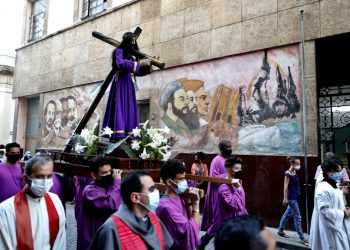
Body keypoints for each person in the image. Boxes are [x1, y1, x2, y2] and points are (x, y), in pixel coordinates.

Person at [89, 170, 173, 249]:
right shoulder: (111, 228)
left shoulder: (153, 219)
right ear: (135, 197)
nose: (156, 192)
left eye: (155, 188)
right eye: (151, 189)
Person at [0, 155, 66, 249]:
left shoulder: (55, 201)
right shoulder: (6, 210)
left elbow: (60, 240)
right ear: (26, 179)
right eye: (39, 176)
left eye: (49, 176)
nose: (45, 182)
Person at [102, 32, 152, 140]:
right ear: (126, 41)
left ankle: (129, 133)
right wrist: (138, 64)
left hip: (129, 82)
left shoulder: (132, 57)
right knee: (120, 105)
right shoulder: (118, 51)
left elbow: (137, 71)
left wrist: (147, 65)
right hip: (120, 81)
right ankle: (118, 132)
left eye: (134, 41)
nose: (133, 43)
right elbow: (120, 64)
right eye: (131, 41)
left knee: (130, 106)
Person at [77, 156, 123, 250]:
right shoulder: (90, 191)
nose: (109, 174)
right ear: (94, 175)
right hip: (93, 240)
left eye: (110, 171)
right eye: (104, 173)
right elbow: (111, 204)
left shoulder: (109, 186)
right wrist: (117, 182)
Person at [156, 159, 201, 250]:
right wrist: (196, 204)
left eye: (184, 178)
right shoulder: (166, 207)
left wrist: (188, 201)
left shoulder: (179, 196)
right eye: (181, 179)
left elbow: (189, 219)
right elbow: (192, 230)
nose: (185, 182)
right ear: (169, 182)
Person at [310, 160, 350, 249]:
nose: (340, 174)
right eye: (338, 171)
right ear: (328, 172)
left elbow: (334, 199)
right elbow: (325, 211)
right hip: (329, 229)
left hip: (337, 226)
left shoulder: (333, 184)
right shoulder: (323, 188)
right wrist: (343, 214)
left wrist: (343, 207)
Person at [200, 140, 232, 248]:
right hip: (218, 195)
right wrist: (227, 177)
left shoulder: (229, 159)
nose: (230, 148)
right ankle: (203, 241)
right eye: (227, 147)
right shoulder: (216, 160)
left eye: (230, 146)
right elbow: (213, 178)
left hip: (228, 194)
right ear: (222, 148)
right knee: (218, 220)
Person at [206, 157, 248, 239]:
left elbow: (242, 202)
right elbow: (234, 204)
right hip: (228, 223)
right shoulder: (223, 187)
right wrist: (238, 189)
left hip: (237, 221)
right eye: (237, 168)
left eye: (240, 168)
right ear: (228, 169)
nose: (239, 171)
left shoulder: (237, 182)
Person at [277, 157, 308, 246]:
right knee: (297, 217)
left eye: (299, 164)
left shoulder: (294, 172)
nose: (299, 166)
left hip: (295, 196)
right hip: (291, 198)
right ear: (292, 164)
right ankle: (302, 238)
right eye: (297, 164)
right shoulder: (287, 173)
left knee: (287, 214)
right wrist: (285, 198)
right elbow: (285, 186)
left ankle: (280, 230)